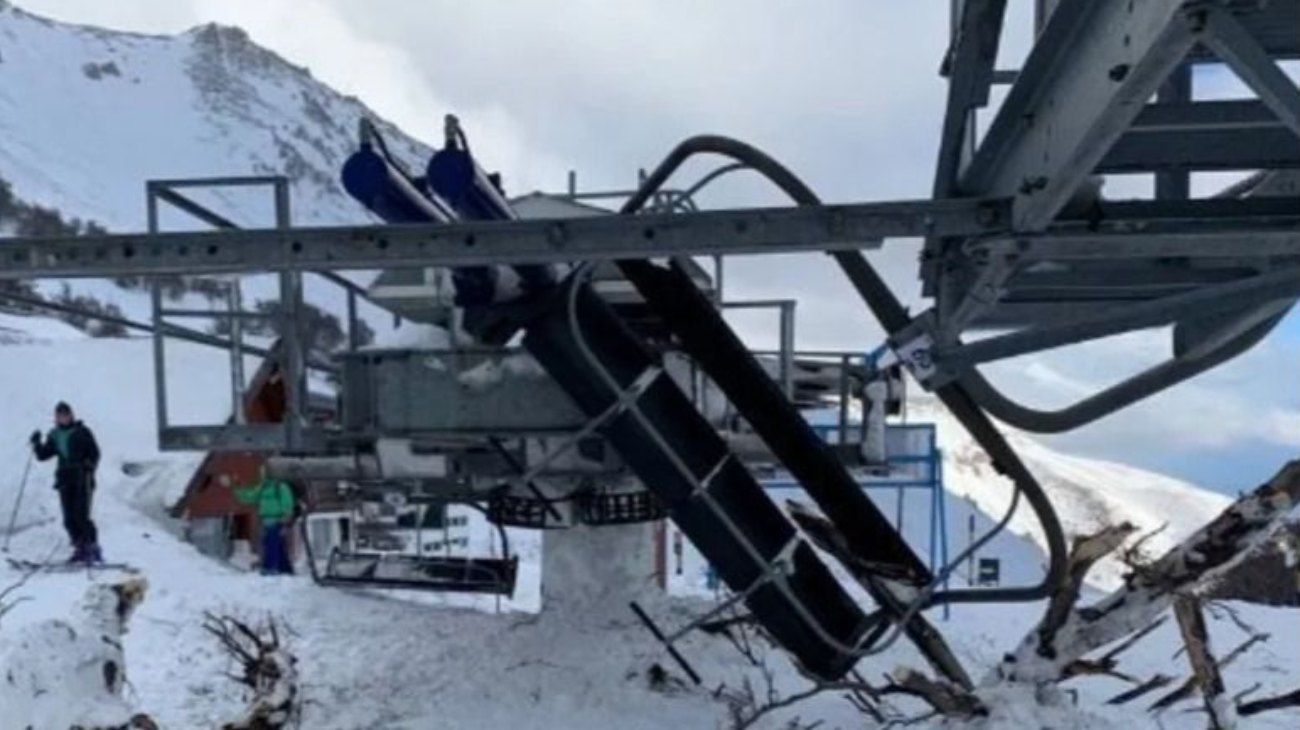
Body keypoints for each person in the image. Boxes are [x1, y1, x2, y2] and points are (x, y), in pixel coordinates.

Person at [31, 401, 102, 564]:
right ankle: (79, 547)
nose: (62, 418)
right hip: (65, 478)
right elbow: (44, 455)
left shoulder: (82, 432)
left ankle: (92, 547)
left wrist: (89, 464)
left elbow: (95, 452)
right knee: (68, 518)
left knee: (81, 514)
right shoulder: (54, 435)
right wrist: (36, 443)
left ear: (71, 415)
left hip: (82, 477)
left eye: (65, 415)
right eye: (59, 416)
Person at [226, 466, 297, 575]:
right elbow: (249, 497)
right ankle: (286, 570)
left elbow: (288, 504)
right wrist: (236, 488)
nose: (262, 475)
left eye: (264, 472)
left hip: (277, 520)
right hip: (265, 521)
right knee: (278, 546)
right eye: (261, 473)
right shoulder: (263, 487)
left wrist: (285, 519)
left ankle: (269, 568)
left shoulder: (281, 487)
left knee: (271, 544)